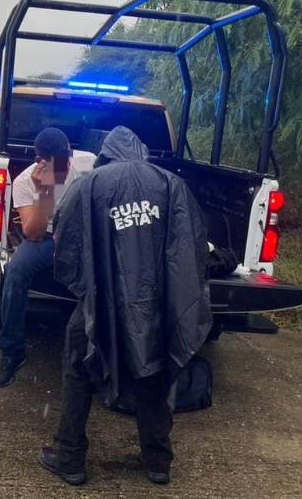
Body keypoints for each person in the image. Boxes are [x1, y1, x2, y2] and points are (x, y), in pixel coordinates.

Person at [38, 126, 210, 486]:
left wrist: (89, 289)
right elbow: (191, 246)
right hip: (154, 304)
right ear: (141, 151)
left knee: (78, 367)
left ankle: (70, 457)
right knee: (153, 371)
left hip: (99, 302)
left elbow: (64, 242)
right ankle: (158, 461)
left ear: (107, 153)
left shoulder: (89, 184)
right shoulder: (170, 185)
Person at [0, 127, 95, 388]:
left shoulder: (89, 163)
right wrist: (45, 191)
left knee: (108, 272)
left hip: (83, 238)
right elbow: (34, 234)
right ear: (40, 162)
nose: (66, 165)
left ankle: (100, 352)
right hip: (46, 239)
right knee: (16, 270)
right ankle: (12, 352)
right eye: (59, 163)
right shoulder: (26, 181)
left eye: (67, 157)